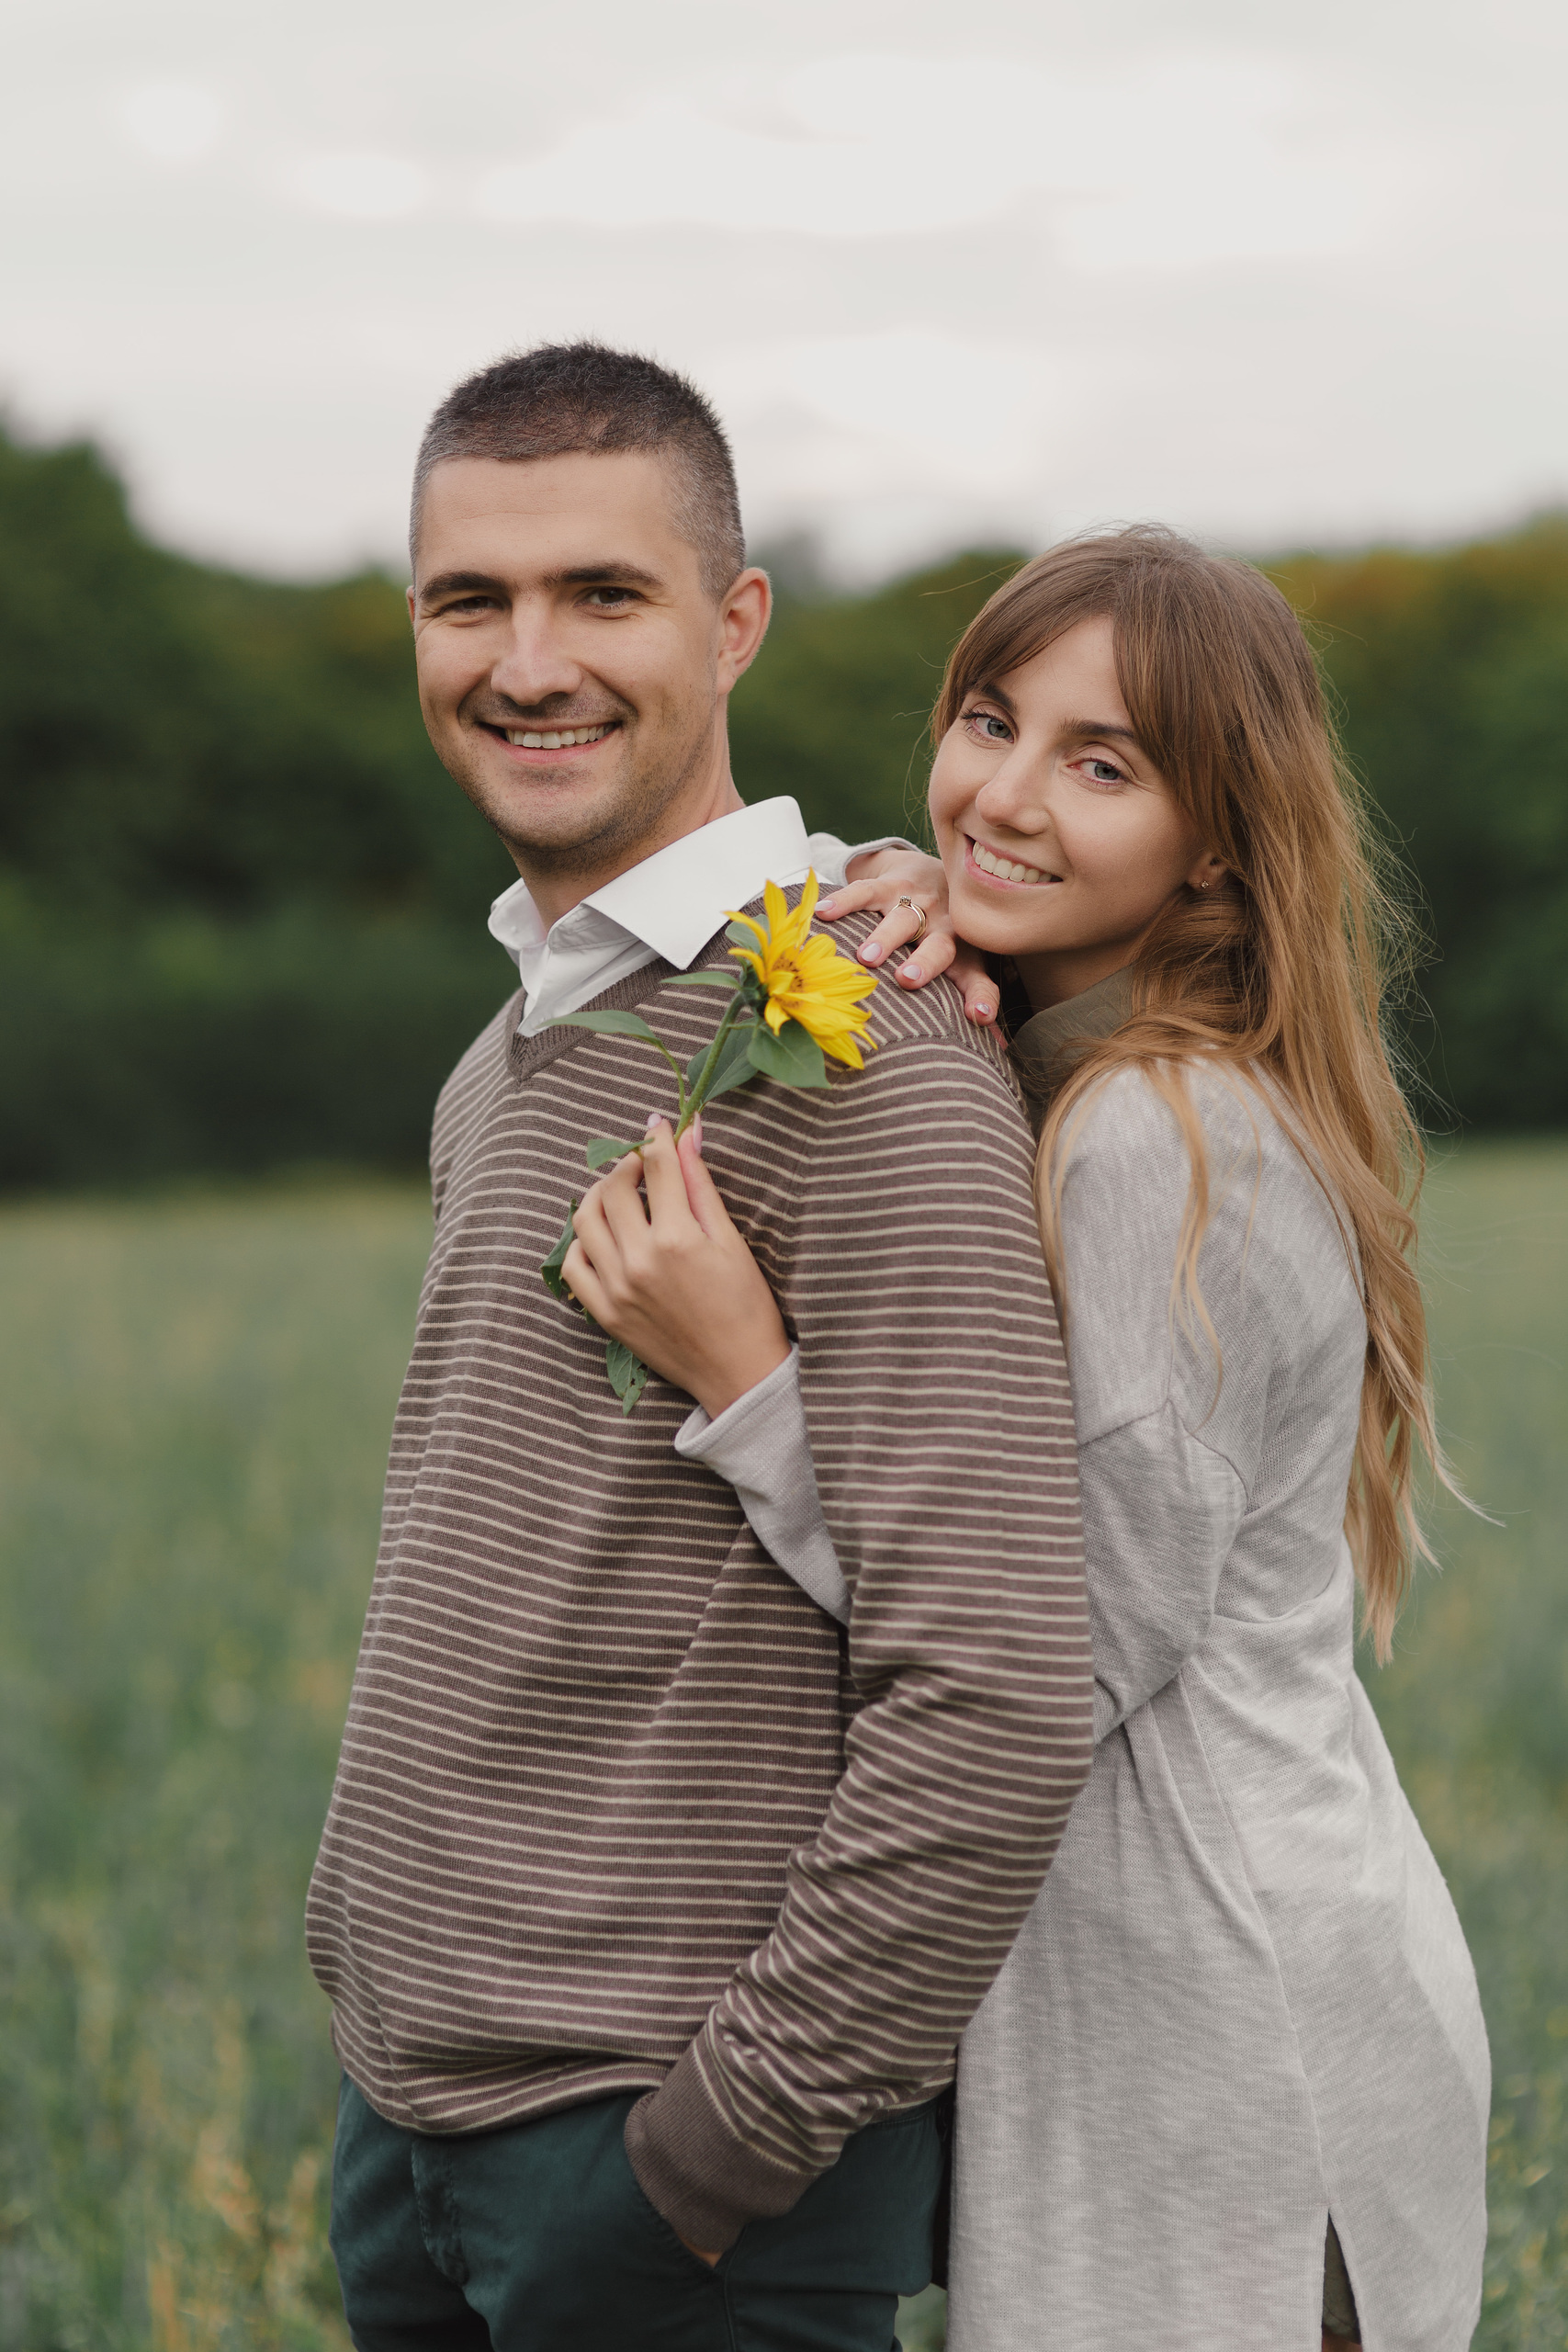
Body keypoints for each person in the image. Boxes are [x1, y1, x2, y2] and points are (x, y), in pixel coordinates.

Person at [567, 527, 1492, 2352]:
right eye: (990, 722)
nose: (1004, 793)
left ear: (1214, 840)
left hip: (1222, 2032)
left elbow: (1044, 1653)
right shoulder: (1101, 1072)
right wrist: (928, 897)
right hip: (1197, 1989)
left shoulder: (1158, 1135)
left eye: (1102, 765)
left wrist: (745, 1381)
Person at [305, 341, 1095, 2352]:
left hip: (664, 2167)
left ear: (733, 624)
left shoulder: (869, 1045)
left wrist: (720, 2150)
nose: (528, 662)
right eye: (469, 600)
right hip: (415, 2130)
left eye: (603, 592)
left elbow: (997, 1687)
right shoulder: (509, 1050)